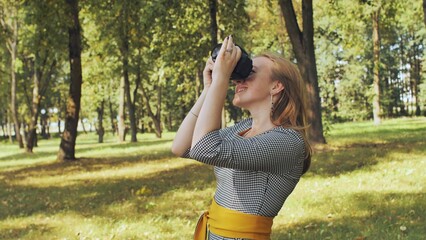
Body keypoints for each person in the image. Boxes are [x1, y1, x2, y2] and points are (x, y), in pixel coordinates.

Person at [171, 35, 312, 240]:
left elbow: (204, 148)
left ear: (276, 86)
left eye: (250, 73)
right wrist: (209, 88)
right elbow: (181, 147)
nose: (237, 80)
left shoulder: (288, 141)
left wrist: (221, 78)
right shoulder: (244, 128)